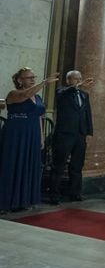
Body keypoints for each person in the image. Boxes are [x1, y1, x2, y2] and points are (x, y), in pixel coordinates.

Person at [0, 68, 58, 212]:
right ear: (20, 80)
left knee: (29, 165)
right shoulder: (13, 94)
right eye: (29, 77)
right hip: (16, 133)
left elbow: (39, 116)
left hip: (32, 133)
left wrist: (41, 136)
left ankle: (24, 200)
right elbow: (25, 95)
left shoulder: (37, 97)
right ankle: (5, 202)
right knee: (12, 165)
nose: (32, 79)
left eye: (34, 77)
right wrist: (44, 82)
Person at [49, 71, 94, 204]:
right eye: (76, 79)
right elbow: (63, 93)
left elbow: (87, 113)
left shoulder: (84, 95)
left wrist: (88, 131)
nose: (79, 81)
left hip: (80, 135)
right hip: (64, 134)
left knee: (77, 165)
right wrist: (78, 85)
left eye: (80, 78)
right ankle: (54, 195)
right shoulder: (61, 92)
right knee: (59, 165)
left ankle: (75, 193)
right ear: (68, 80)